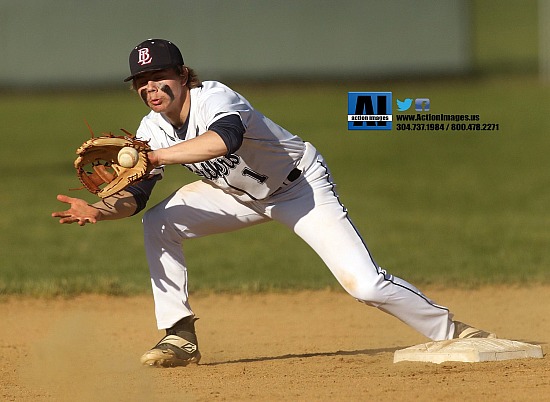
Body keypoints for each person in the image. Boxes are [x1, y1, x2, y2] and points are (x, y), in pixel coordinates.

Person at [52, 39, 496, 367]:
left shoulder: (216, 98)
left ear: (183, 76)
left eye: (160, 77)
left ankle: (454, 331)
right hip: (235, 195)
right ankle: (179, 335)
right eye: (142, 82)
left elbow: (223, 141)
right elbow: (138, 192)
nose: (151, 87)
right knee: (157, 224)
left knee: (365, 286)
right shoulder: (151, 128)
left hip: (300, 189)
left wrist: (155, 156)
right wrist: (102, 209)